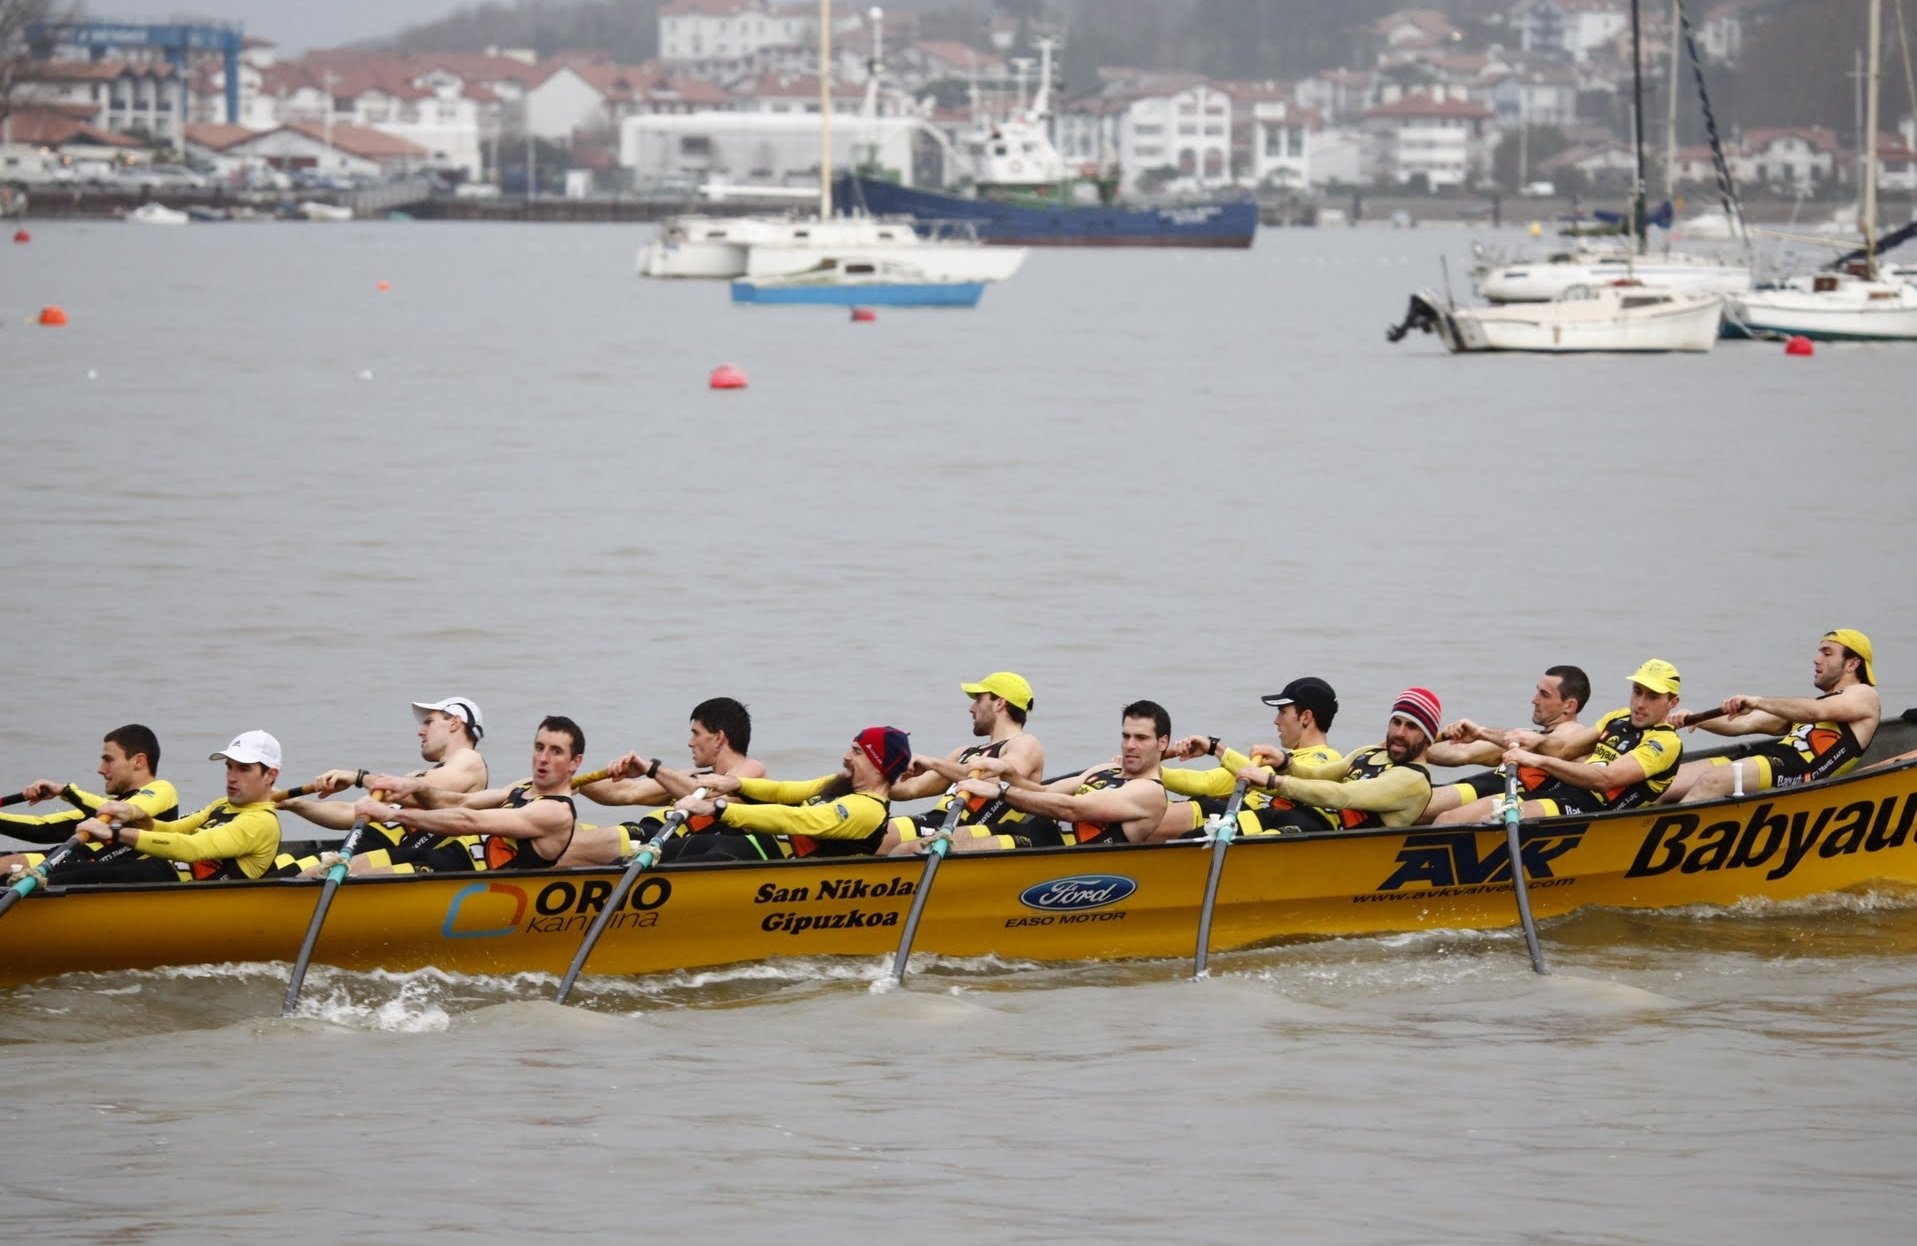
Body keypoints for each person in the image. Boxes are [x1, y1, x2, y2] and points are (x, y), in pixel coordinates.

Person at [1439, 660, 1683, 824]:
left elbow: (1605, 780)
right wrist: (1482, 732)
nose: (1640, 703)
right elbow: (1563, 749)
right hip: (1563, 793)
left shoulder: (1665, 742)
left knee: (1506, 817)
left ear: (1672, 702)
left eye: (1652, 696)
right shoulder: (1617, 717)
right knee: (1448, 819)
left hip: (1595, 811)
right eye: (1637, 691)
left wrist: (1538, 760)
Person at [1660, 629, 1882, 804]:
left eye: (1827, 653)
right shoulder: (1806, 708)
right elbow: (1742, 724)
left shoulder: (1864, 695)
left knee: (1712, 780)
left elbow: (1817, 712)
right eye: (1819, 651)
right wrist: (1696, 719)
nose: (1816, 659)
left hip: (1800, 770)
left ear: (1853, 664)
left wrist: (1758, 701)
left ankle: (1656, 850)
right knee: (1666, 783)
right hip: (1769, 759)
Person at [275, 696, 490, 875]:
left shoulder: (469, 759)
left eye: (428, 722)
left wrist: (358, 777)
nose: (420, 731)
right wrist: (293, 804)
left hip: (394, 855)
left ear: (454, 722)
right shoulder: (417, 774)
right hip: (361, 843)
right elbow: (351, 812)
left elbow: (421, 791)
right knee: (280, 865)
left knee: (297, 874)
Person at [356, 716, 585, 871]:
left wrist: (392, 815)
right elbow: (461, 803)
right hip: (431, 859)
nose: (543, 758)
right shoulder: (522, 788)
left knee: (360, 877)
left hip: (455, 883)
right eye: (539, 747)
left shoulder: (555, 811)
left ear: (575, 762)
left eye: (556, 751)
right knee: (338, 868)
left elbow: (469, 820)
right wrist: (417, 786)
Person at [938, 700, 1172, 849]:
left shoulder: (1150, 792)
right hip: (1028, 832)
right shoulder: (1105, 770)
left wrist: (1000, 791)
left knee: (952, 850)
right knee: (919, 847)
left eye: (1141, 738)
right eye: (1126, 736)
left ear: (1162, 743)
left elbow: (1071, 809)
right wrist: (1009, 774)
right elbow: (1043, 792)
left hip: (1052, 857)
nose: (1130, 745)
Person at [66, 731, 284, 883]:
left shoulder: (261, 823)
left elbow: (191, 848)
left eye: (244, 769)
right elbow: (173, 830)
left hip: (179, 889)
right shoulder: (223, 805)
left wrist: (115, 832)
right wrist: (136, 815)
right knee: (69, 870)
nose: (232, 778)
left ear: (270, 775)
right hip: (161, 871)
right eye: (229, 767)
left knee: (72, 877)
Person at [569, 697, 767, 863]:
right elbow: (623, 792)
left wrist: (651, 769)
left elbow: (708, 798)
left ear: (718, 738)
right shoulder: (689, 778)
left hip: (653, 846)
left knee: (561, 849)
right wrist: (568, 781)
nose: (690, 743)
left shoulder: (751, 771)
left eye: (696, 734)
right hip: (642, 836)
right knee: (556, 834)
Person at [669, 726, 912, 861]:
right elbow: (785, 790)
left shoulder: (868, 810)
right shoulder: (841, 782)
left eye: (858, 752)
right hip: (741, 845)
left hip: (761, 868)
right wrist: (733, 784)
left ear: (879, 766)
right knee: (662, 853)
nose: (846, 756)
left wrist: (718, 809)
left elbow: (795, 819)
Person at [877, 671, 1054, 854]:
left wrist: (932, 762)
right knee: (873, 831)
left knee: (893, 842)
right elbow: (911, 789)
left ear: (1000, 703)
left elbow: (999, 780)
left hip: (980, 831)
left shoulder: (1025, 743)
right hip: (939, 821)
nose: (972, 708)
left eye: (978, 699)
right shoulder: (964, 753)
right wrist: (870, 777)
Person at [1149, 677, 1343, 842]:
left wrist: (1216, 749)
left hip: (1270, 826)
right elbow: (1206, 781)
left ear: (1306, 717)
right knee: (1145, 812)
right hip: (1232, 814)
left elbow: (1270, 779)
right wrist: (1147, 769)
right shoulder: (1270, 760)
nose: (1276, 721)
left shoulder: (1328, 759)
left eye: (1283, 712)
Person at [1232, 688, 1441, 832]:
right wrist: (1285, 764)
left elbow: (1342, 795)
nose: (1399, 732)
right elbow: (1318, 776)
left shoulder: (1413, 781)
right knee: (1212, 833)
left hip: (1322, 840)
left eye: (1411, 727)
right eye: (1396, 722)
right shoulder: (1370, 752)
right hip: (1295, 817)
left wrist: (1272, 781)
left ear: (1427, 737)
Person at [0, 725, 180, 881]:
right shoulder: (105, 806)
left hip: (106, 874)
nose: (101, 770)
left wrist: (66, 791)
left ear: (138, 762)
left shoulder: (162, 790)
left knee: (6, 865)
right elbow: (45, 827)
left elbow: (122, 811)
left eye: (109, 760)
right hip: (68, 862)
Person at [1418, 665, 1590, 823]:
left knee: (1444, 819)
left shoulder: (1575, 734)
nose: (1534, 700)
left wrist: (1480, 732)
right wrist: (1409, 749)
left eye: (1544, 695)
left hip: (1517, 798)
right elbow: (1462, 753)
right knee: (1412, 804)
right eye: (1537, 692)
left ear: (1569, 705)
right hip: (1489, 786)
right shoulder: (1527, 735)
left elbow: (1558, 747)